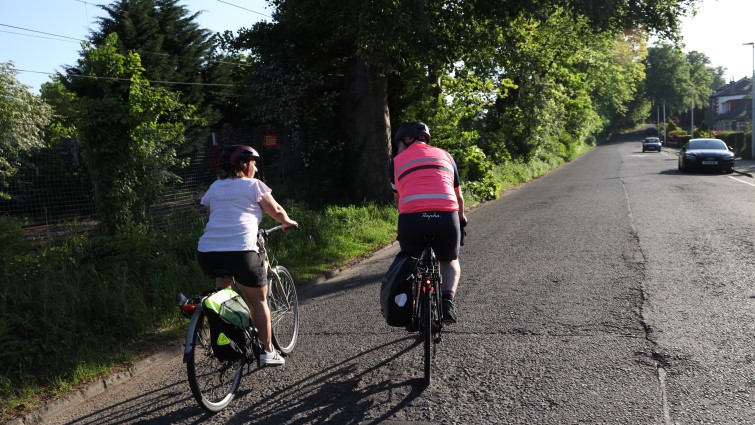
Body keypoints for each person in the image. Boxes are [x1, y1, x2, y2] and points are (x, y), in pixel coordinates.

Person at [196, 144, 298, 366]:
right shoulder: (254, 186)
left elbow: (213, 214)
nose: (256, 170)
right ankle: (268, 351)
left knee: (225, 297)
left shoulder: (214, 187)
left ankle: (231, 342)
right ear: (244, 165)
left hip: (207, 253)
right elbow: (277, 211)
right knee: (258, 301)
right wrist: (287, 222)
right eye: (253, 165)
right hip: (241, 251)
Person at [389, 122, 467, 324]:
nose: (398, 148)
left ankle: (415, 307)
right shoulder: (446, 156)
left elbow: (398, 199)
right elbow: (459, 199)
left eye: (398, 143)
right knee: (449, 261)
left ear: (407, 140)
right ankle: (447, 301)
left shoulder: (396, 162)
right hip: (446, 217)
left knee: (412, 261)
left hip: (411, 220)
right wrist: (462, 219)